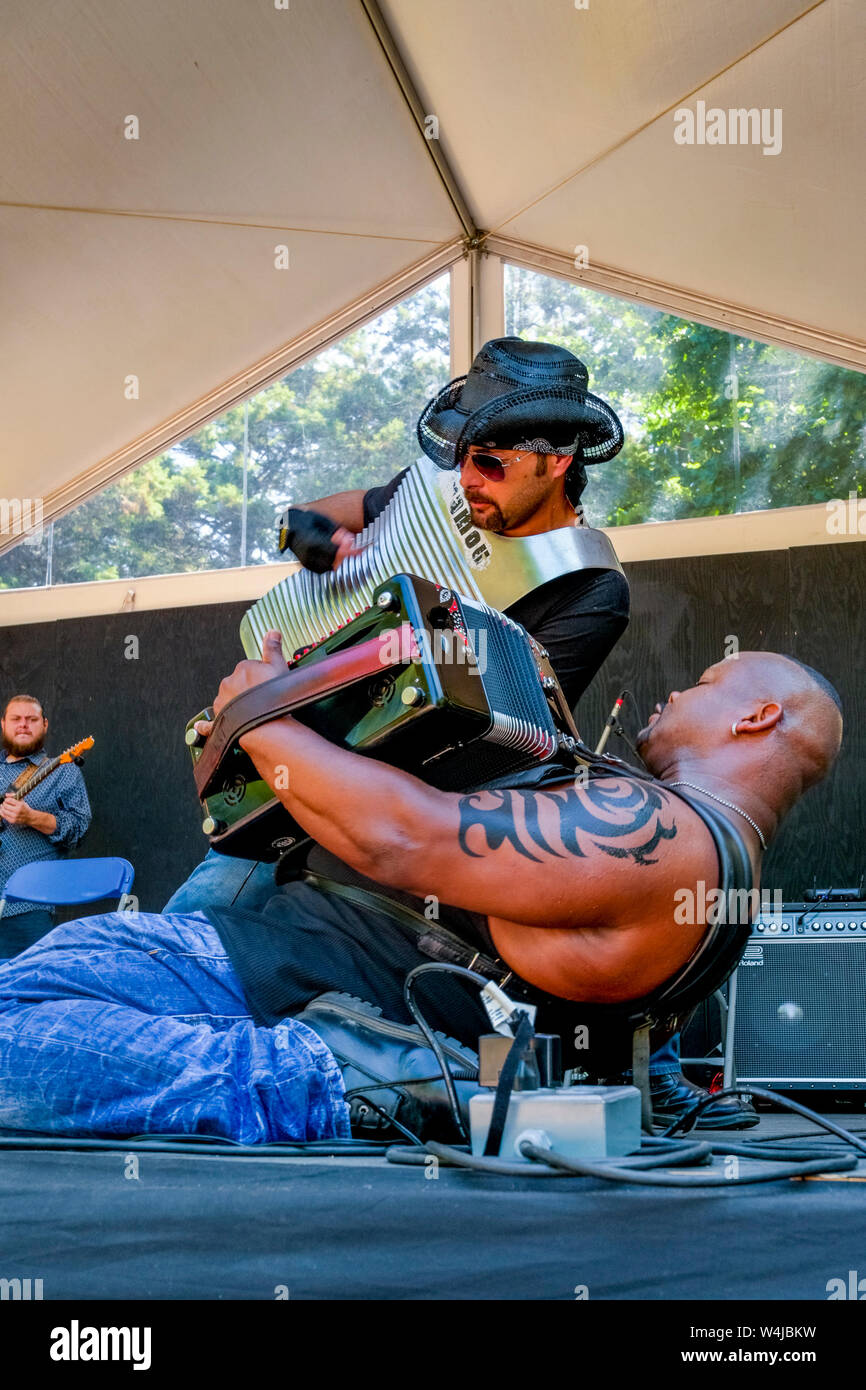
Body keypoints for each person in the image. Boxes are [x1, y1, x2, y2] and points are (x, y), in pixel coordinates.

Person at [0, 648, 842, 1144]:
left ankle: (329, 1082)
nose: (672, 695)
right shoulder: (720, 879)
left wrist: (257, 713)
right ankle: (345, 1077)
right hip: (299, 971)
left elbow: (402, 837)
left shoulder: (664, 833)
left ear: (757, 715)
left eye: (700, 682)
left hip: (284, 970)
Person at [0, 695, 92, 960]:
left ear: (45, 725)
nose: (23, 725)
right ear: (4, 724)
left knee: (31, 986)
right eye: (16, 719)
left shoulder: (63, 771)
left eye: (32, 719)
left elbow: (79, 828)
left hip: (27, 905)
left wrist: (31, 818)